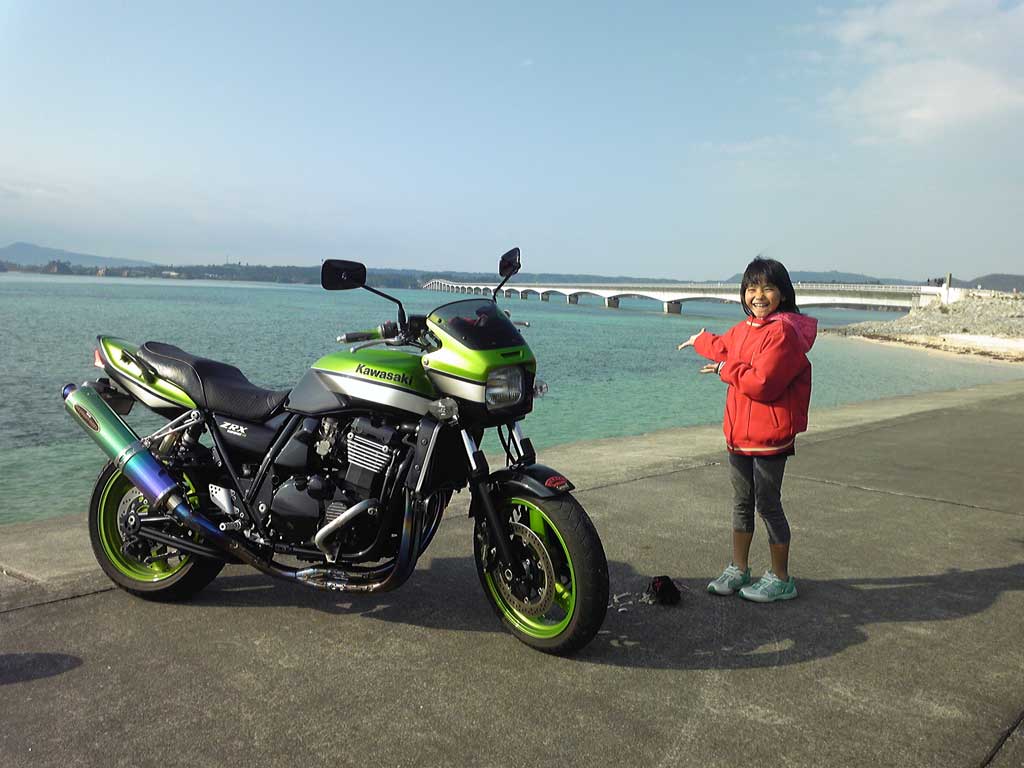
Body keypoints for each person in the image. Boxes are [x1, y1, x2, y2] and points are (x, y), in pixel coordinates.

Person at [677, 257, 817, 603]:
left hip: (769, 438)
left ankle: (781, 578)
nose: (759, 295)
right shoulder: (745, 329)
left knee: (768, 505)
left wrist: (724, 370)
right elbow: (725, 346)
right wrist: (700, 340)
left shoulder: (783, 333)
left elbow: (763, 383)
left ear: (783, 294)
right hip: (739, 435)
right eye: (752, 288)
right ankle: (739, 568)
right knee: (741, 503)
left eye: (768, 288)